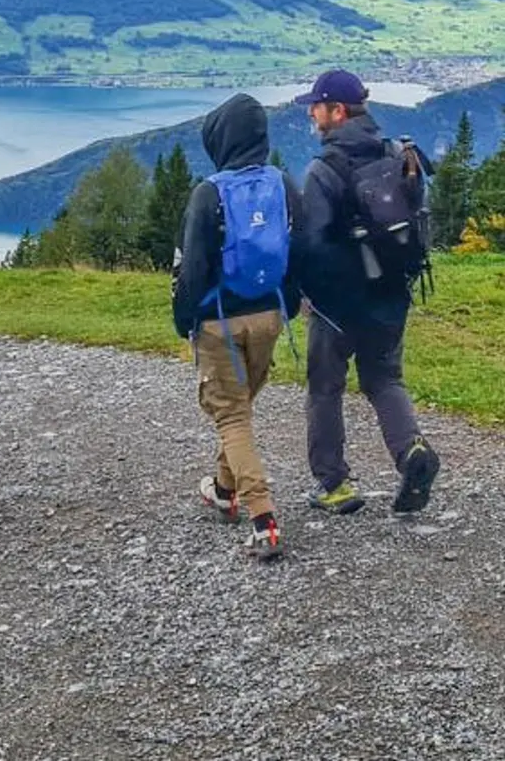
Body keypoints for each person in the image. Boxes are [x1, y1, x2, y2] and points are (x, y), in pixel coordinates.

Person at [297, 69, 439, 515]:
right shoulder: (399, 153)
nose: (311, 113)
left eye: (316, 106)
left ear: (337, 111)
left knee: (325, 388)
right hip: (391, 295)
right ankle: (411, 450)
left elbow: (312, 244)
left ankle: (335, 484)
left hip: (338, 305)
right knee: (383, 379)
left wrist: (305, 293)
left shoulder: (324, 170)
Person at [173, 93, 303, 562]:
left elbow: (193, 269)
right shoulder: (283, 183)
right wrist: (287, 306)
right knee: (241, 407)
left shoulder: (210, 193)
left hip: (220, 321)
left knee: (231, 415)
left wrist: (184, 319)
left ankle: (263, 517)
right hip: (270, 317)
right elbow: (299, 249)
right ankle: (225, 488)